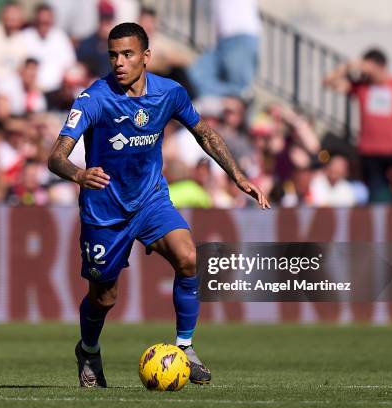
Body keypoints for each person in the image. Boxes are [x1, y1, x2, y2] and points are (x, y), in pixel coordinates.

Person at [48, 22, 269, 388]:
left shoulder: (170, 93)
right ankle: (88, 348)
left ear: (146, 57)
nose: (119, 62)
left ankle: (185, 348)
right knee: (105, 297)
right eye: (113, 55)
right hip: (106, 210)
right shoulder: (94, 98)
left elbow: (205, 134)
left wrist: (237, 176)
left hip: (150, 200)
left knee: (188, 258)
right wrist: (78, 174)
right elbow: (56, 157)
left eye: (128, 54)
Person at [322, 47, 392, 203]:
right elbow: (328, 82)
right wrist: (347, 67)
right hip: (369, 152)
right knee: (376, 195)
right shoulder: (362, 86)